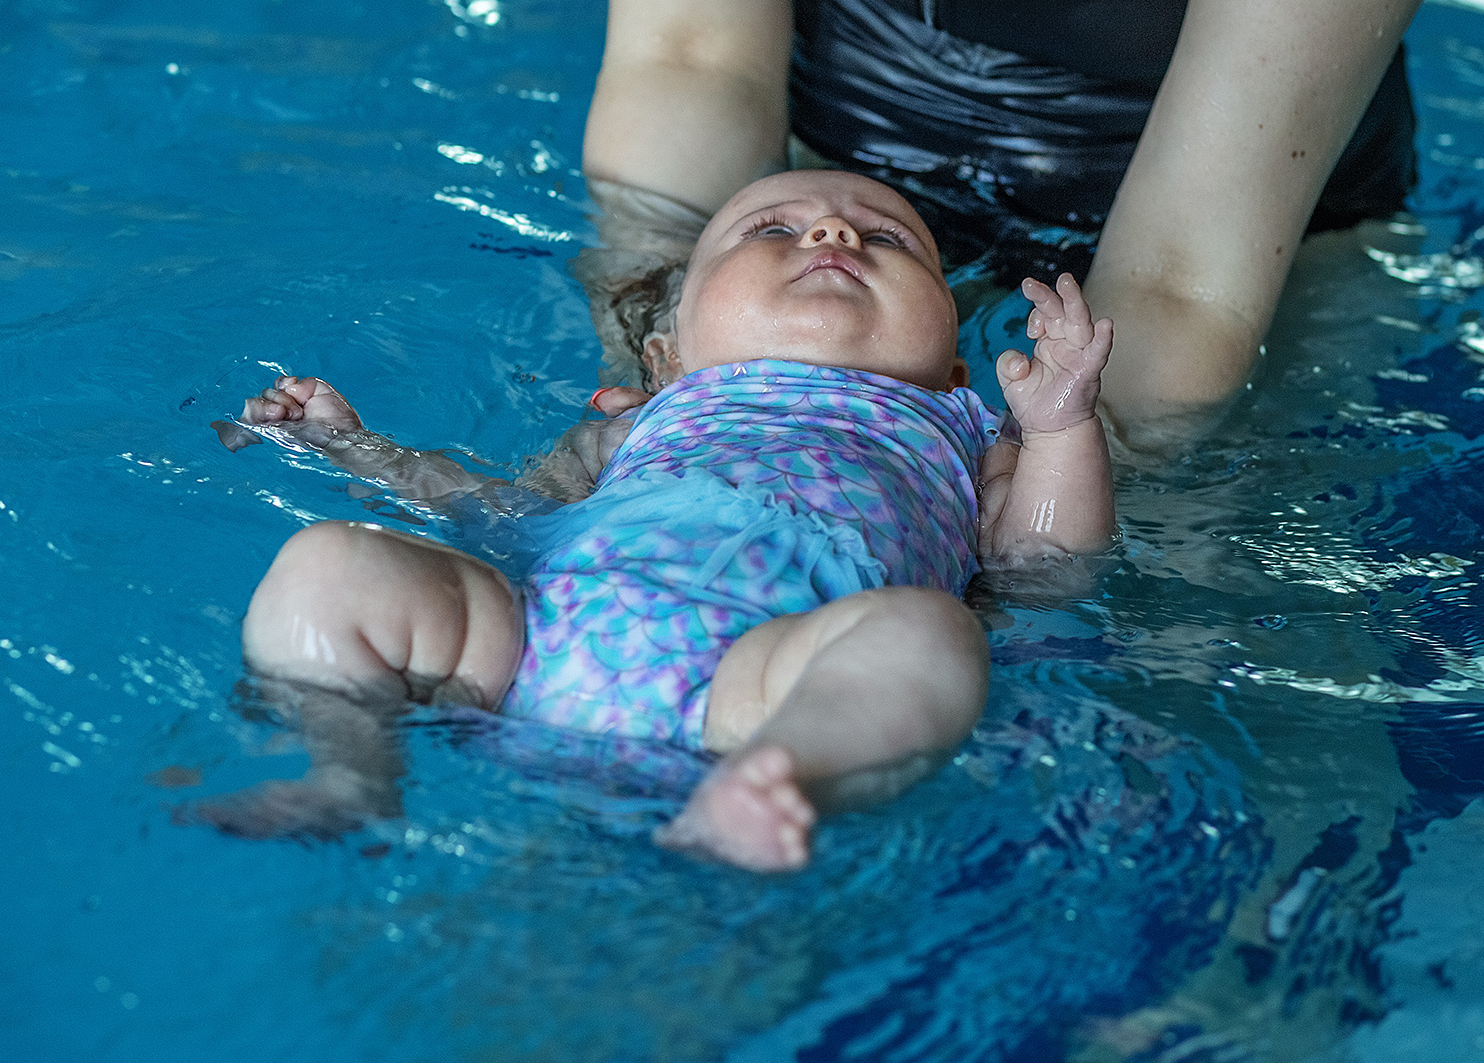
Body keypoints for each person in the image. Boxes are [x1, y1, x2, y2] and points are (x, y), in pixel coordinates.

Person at [198, 171, 1115, 871]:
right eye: (773, 230)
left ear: (953, 370)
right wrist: (354, 447)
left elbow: (1042, 565)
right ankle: (349, 770)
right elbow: (501, 517)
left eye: (888, 239)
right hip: (525, 648)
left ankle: (775, 781)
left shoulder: (963, 430)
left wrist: (1060, 428)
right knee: (334, 563)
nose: (835, 232)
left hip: (766, 685)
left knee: (927, 634)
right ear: (668, 356)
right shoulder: (638, 422)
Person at [579, 0, 1484, 448]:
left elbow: (1184, 285)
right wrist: (662, 388)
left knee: (1189, 606)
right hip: (840, 160)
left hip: (1247, 250)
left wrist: (1003, 507)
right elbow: (689, 60)